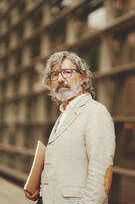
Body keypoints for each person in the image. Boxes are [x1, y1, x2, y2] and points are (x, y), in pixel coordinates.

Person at [25, 51, 115, 204]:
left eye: (67, 72)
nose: (60, 79)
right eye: (54, 74)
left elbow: (101, 173)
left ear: (82, 77)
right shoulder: (63, 114)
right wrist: (41, 188)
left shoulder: (95, 112)